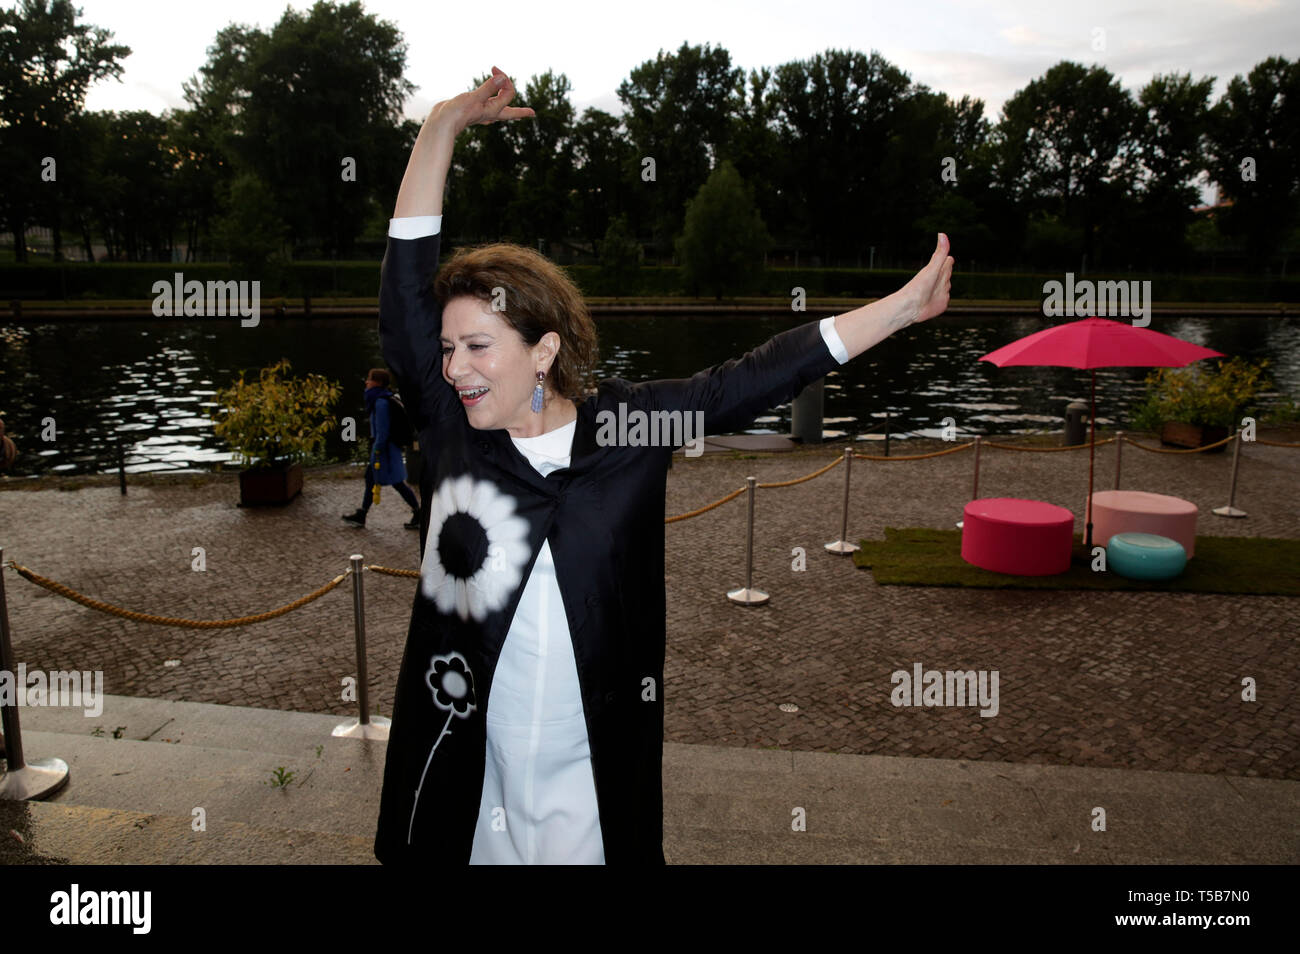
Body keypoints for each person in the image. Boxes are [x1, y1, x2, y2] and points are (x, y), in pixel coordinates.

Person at [372, 66, 953, 865]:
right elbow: (405, 284)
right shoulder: (452, 431)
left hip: (591, 776)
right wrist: (442, 127)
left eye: (477, 347)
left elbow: (750, 380)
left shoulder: (631, 427)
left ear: (542, 351)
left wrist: (898, 310)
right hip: (473, 771)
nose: (455, 368)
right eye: (446, 348)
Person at [342, 368, 421, 529]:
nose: (366, 382)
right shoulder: (382, 399)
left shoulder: (380, 402)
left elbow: (382, 431)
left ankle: (418, 513)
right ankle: (362, 514)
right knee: (371, 479)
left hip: (385, 451)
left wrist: (376, 451)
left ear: (377, 382)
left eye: (369, 379)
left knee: (397, 483)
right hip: (387, 449)